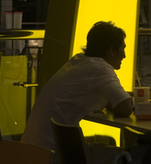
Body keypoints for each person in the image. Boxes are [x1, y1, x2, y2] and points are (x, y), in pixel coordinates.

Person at [21, 21, 133, 162]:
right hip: (56, 154)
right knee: (130, 157)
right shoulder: (100, 69)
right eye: (122, 48)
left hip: (32, 150)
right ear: (111, 50)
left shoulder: (78, 62)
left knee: (108, 142)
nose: (124, 55)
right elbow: (126, 108)